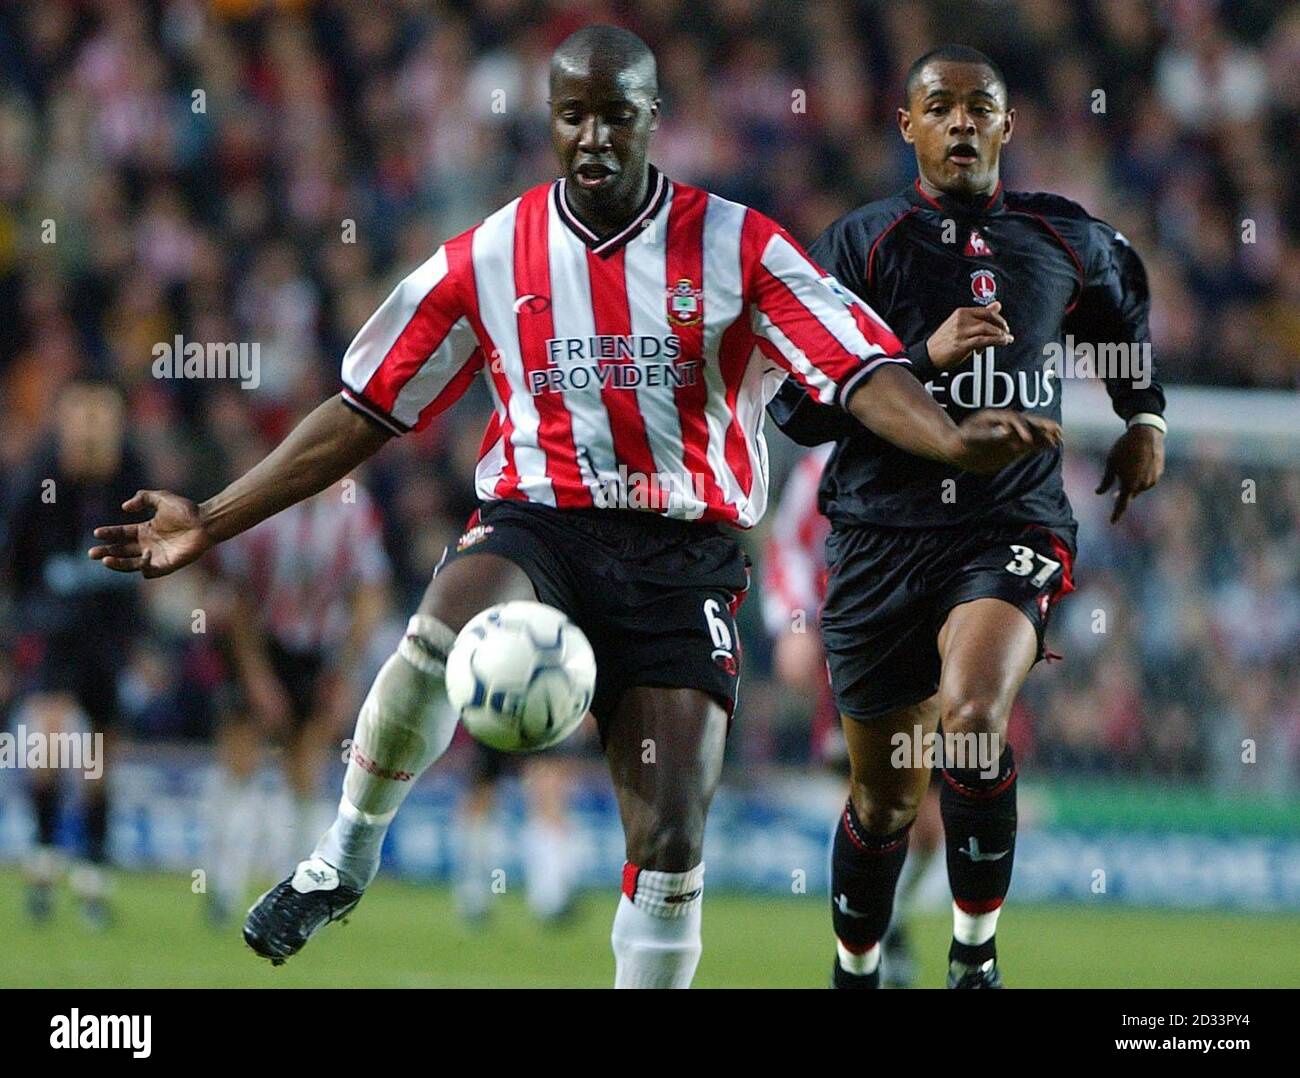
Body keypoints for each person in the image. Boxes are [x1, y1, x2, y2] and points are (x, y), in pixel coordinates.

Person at [90, 26, 1056, 989]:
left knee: (673, 836)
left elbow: (859, 370)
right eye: (573, 116)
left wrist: (947, 438)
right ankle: (345, 854)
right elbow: (364, 408)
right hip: (538, 521)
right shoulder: (492, 252)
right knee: (439, 630)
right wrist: (212, 519)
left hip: (685, 553)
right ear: (551, 122)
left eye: (616, 117)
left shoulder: (738, 244)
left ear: (652, 122)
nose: (594, 137)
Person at [769, 44, 1166, 988]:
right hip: (876, 543)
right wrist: (917, 353)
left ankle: (973, 960)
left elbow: (1121, 311)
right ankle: (856, 966)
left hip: (1010, 528)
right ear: (907, 125)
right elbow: (797, 404)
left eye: (978, 107)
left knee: (975, 721)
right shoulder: (859, 244)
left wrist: (1142, 414)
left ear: (1005, 125)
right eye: (938, 106)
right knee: (882, 803)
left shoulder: (1062, 235)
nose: (960, 123)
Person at [761, 445, 941, 988]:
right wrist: (795, 625)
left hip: (931, 649)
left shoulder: (940, 442)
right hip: (853, 655)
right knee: (870, 805)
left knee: (932, 829)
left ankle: (888, 916)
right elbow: (791, 546)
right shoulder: (826, 463)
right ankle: (868, 937)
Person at [205, 473, 390, 922]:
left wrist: (345, 675)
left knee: (305, 770)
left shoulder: (354, 509)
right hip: (261, 640)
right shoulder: (265, 505)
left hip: (320, 651)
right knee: (241, 760)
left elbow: (368, 596)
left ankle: (295, 895)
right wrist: (256, 678)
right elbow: (238, 601)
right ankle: (223, 888)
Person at [1, 378, 147, 927]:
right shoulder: (36, 483)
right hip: (52, 632)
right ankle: (42, 854)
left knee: (103, 753)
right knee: (50, 738)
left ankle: (92, 870)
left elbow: (154, 556)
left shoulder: (131, 478)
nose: (90, 428)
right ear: (62, 420)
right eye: (81, 415)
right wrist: (12, 644)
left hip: (109, 634)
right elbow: (12, 569)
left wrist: (145, 640)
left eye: (101, 416)